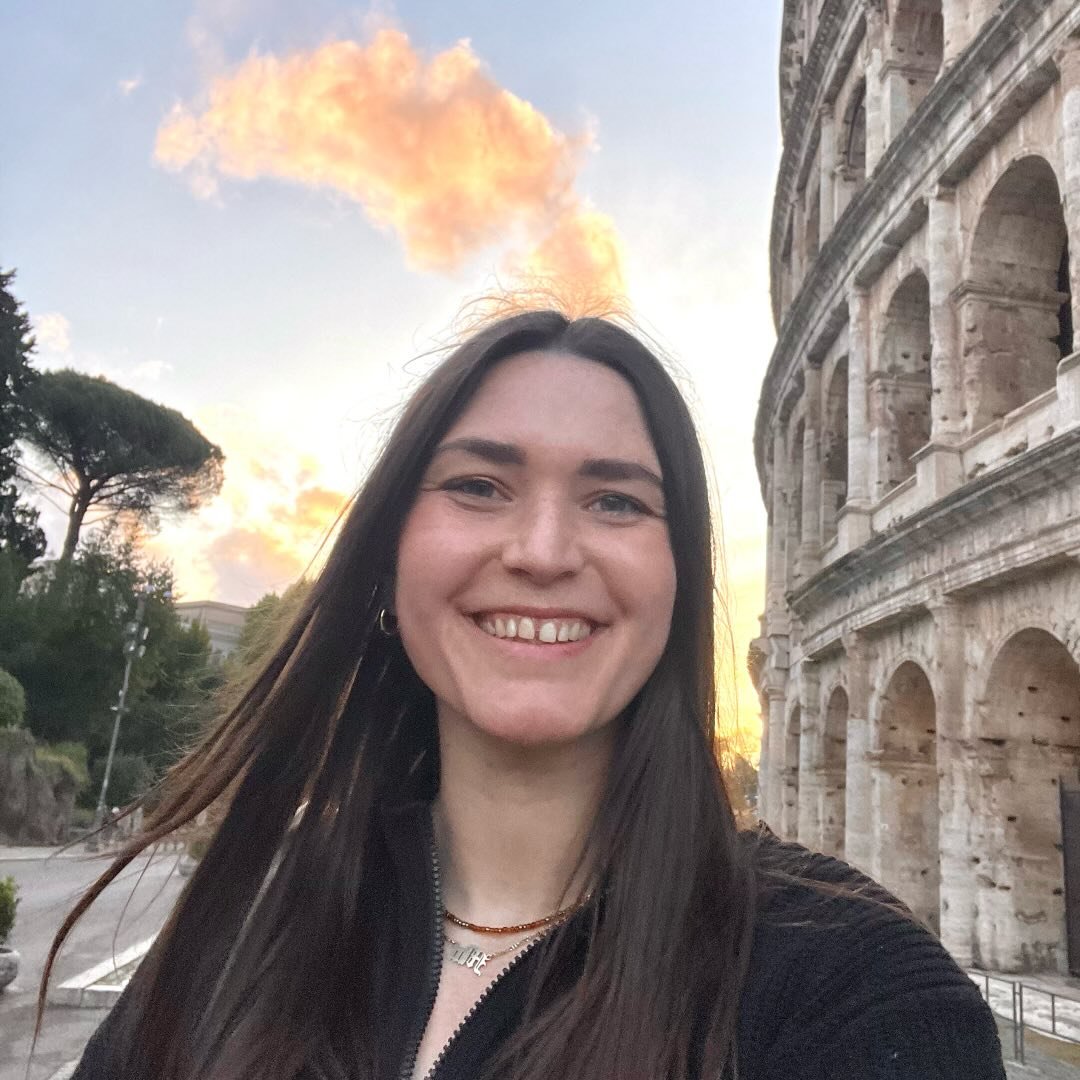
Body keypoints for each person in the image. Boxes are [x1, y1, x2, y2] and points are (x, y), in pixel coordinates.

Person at [53, 309, 1005, 1079]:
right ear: (389, 559)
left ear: (678, 583)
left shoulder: (854, 985)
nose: (544, 553)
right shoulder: (248, 924)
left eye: (616, 501)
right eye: (478, 486)